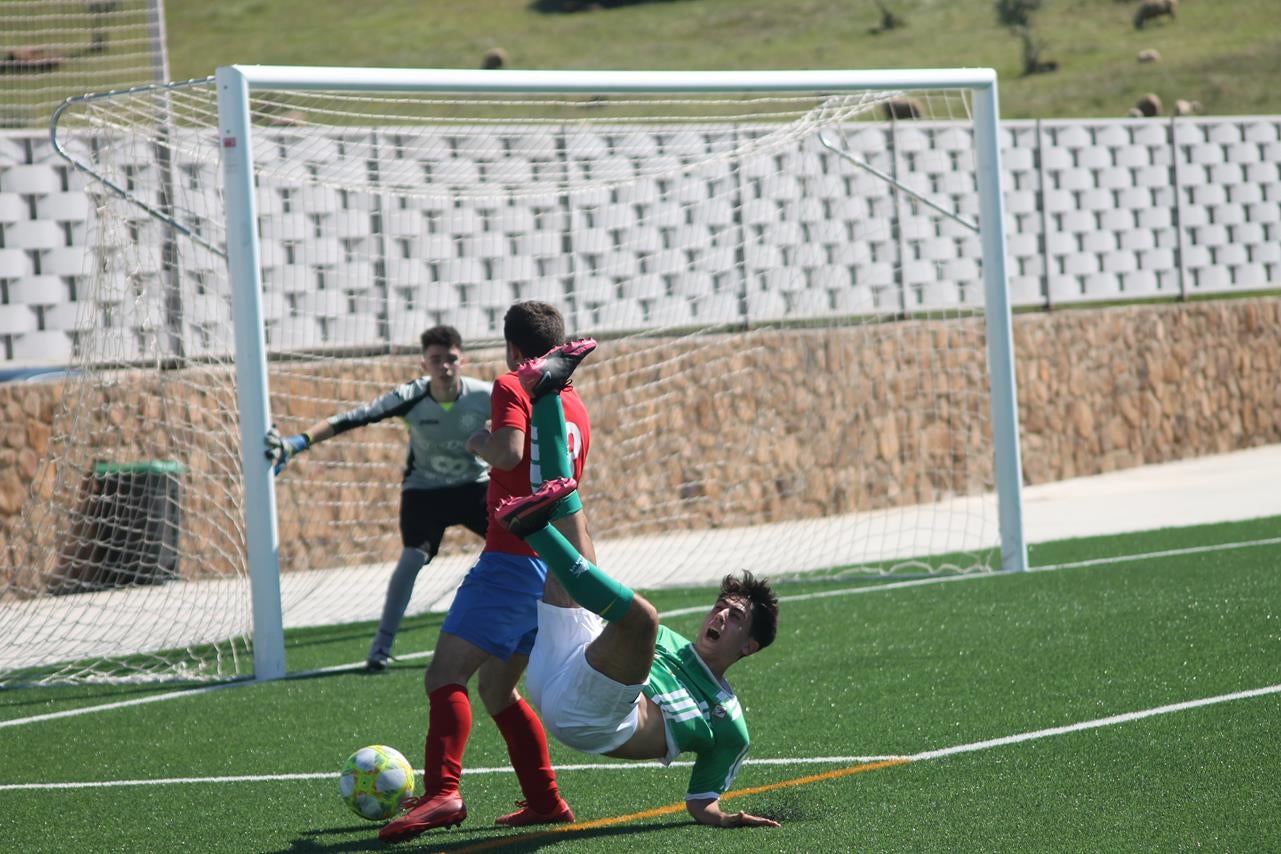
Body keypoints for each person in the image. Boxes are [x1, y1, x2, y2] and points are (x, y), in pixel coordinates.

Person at [493, 343, 781, 829]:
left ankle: (533, 528)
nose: (719, 616)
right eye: (721, 606)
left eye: (734, 617)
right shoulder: (671, 646)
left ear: (749, 646)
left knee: (643, 616)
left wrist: (729, 818)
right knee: (576, 526)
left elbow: (700, 803)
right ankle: (547, 392)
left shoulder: (730, 722)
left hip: (591, 722)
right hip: (558, 674)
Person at [379, 302, 595, 844]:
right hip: (554, 567)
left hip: (511, 558)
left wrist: (478, 441)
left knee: (444, 675)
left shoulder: (511, 384)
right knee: (498, 689)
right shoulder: (576, 404)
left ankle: (442, 793)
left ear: (514, 349)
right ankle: (545, 800)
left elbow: (508, 451)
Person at [265, 325, 491, 673]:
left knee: (525, 546)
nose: (444, 366)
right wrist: (299, 442)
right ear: (423, 365)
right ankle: (380, 649)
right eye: (436, 360)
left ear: (464, 360)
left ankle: (546, 624)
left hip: (475, 488)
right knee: (411, 559)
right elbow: (354, 417)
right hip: (425, 492)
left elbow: (526, 418)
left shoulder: (485, 395)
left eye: (451, 359)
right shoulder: (411, 397)